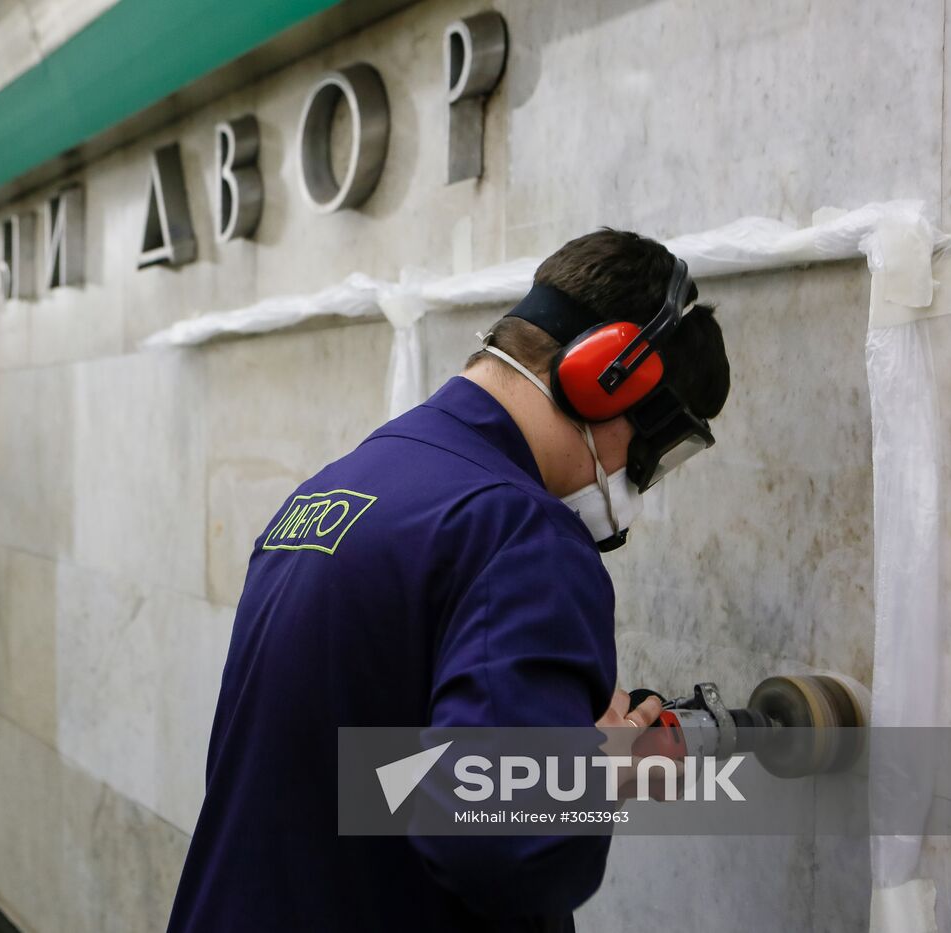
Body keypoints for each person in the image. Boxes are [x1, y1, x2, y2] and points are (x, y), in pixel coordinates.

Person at [167, 230, 731, 932]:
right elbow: (505, 850)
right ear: (600, 380)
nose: (638, 483)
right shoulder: (519, 533)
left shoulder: (336, 489)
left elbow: (351, 773)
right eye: (652, 451)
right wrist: (595, 768)